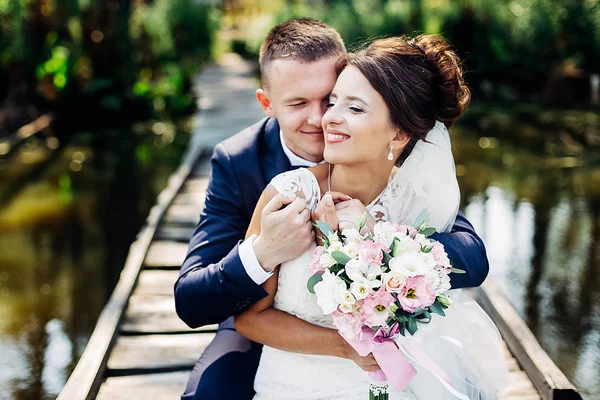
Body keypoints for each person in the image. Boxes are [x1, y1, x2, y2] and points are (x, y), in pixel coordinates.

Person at [175, 19, 490, 400]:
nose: (323, 118)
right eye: (297, 103)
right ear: (267, 104)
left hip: (382, 355)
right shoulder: (239, 162)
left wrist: (378, 237)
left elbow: (470, 256)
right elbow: (191, 299)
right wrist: (264, 253)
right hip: (263, 325)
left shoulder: (409, 168)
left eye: (332, 98)